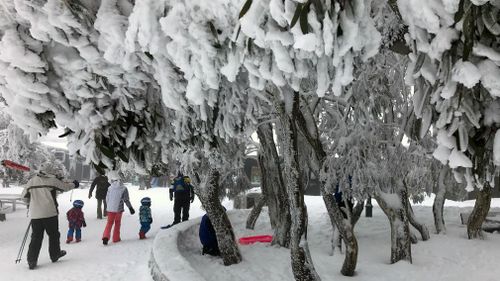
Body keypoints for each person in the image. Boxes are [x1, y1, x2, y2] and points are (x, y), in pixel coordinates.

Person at [21, 163, 79, 270]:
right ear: (50, 171)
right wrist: (75, 184)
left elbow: (23, 198)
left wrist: (32, 203)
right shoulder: (52, 180)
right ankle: (55, 254)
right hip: (50, 213)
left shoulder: (31, 181)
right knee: (53, 235)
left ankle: (31, 260)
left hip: (35, 214)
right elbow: (65, 187)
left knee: (36, 237)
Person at [102, 171, 135, 245]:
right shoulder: (124, 188)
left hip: (110, 209)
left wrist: (108, 206)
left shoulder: (110, 188)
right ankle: (116, 238)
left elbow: (107, 198)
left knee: (109, 223)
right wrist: (130, 208)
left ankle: (105, 237)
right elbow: (126, 200)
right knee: (117, 223)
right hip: (118, 209)